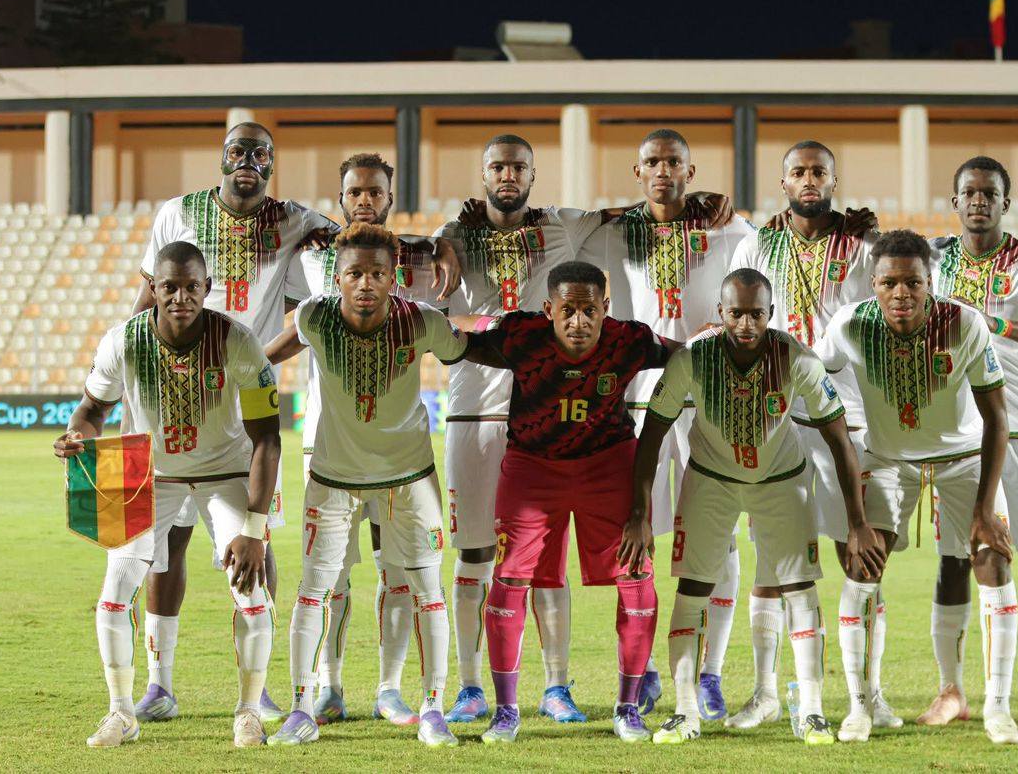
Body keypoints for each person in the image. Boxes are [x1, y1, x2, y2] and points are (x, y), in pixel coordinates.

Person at [129, 121, 333, 724]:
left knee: (254, 538)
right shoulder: (178, 213)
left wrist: (256, 361)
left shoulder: (294, 221)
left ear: (272, 163)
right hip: (171, 395)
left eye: (260, 153)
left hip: (244, 405)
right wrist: (127, 366)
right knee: (167, 542)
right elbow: (148, 298)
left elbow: (329, 273)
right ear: (222, 158)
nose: (248, 160)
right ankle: (159, 685)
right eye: (238, 151)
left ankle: (258, 688)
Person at [637, 268, 884, 745]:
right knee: (693, 588)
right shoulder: (693, 357)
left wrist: (857, 522)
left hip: (780, 481)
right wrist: (638, 513)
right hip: (711, 480)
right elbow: (652, 433)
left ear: (771, 313)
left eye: (756, 314)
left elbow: (840, 440)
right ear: (721, 312)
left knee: (799, 589)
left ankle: (811, 710)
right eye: (736, 314)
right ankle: (685, 712)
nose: (746, 324)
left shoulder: (797, 358)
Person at [54, 241, 281, 748]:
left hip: (225, 472)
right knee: (115, 589)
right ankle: (121, 712)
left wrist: (254, 529)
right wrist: (77, 437)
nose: (181, 297)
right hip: (149, 473)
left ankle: (249, 712)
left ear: (207, 288)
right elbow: (92, 411)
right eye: (170, 287)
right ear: (153, 289)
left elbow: (268, 437)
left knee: (250, 591)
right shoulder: (124, 340)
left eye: (192, 287)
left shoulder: (238, 342)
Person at [449, 260, 677, 743]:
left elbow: (685, 356)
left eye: (590, 310)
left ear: (605, 308)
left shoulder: (629, 340)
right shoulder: (521, 336)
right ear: (548, 309)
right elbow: (460, 342)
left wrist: (724, 340)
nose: (579, 322)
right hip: (533, 470)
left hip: (607, 467)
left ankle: (628, 708)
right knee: (509, 580)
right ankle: (506, 712)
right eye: (568, 310)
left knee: (637, 578)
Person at [265, 221, 467, 747]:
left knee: (427, 589)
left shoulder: (421, 321)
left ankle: (432, 709)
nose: (365, 284)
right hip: (334, 479)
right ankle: (302, 709)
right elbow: (273, 351)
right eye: (354, 273)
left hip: (409, 478)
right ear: (337, 277)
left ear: (393, 277)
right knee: (315, 590)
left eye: (377, 274)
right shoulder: (313, 317)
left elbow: (466, 349)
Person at [814, 230, 1018, 744]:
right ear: (873, 283)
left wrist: (984, 509)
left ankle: (998, 709)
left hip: (963, 459)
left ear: (931, 282)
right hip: (888, 460)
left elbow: (998, 418)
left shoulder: (964, 324)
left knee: (993, 560)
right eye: (889, 282)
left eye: (913, 282)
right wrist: (855, 519)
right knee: (862, 566)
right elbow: (816, 378)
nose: (901, 293)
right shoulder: (849, 325)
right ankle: (860, 707)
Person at [726, 140, 901, 732]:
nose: (808, 180)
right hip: (778, 416)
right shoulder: (757, 244)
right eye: (798, 172)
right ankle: (766, 692)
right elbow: (738, 320)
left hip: (852, 415)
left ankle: (868, 693)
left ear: (833, 179)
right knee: (774, 560)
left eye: (818, 172)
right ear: (783, 183)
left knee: (862, 555)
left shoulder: (863, 244)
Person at [582, 128, 755, 718]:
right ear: (637, 172)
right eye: (652, 162)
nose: (663, 170)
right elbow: (552, 232)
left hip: (709, 400)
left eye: (673, 162)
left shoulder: (730, 230)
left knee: (718, 535)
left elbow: (760, 295)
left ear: (690, 171)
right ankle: (644, 669)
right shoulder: (612, 232)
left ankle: (710, 673)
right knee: (636, 534)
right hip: (634, 402)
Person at [924, 156, 1018, 730]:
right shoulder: (934, 259)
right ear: (955, 201)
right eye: (969, 192)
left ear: (1005, 203)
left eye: (989, 193)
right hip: (960, 435)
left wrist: (996, 325)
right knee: (955, 561)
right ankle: (952, 691)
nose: (979, 201)